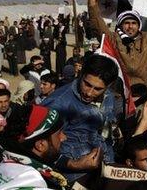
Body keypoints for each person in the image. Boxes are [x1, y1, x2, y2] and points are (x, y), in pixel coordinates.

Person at [42, 54, 120, 182]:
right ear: (81, 73)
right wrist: (74, 164)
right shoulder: (58, 104)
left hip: (104, 171)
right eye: (87, 84)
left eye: (98, 89)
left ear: (108, 86)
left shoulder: (109, 97)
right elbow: (40, 148)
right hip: (72, 179)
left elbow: (106, 134)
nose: (89, 93)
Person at [0, 105, 67, 189]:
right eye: (59, 134)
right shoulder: (33, 183)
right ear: (40, 145)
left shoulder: (5, 163)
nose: (64, 138)